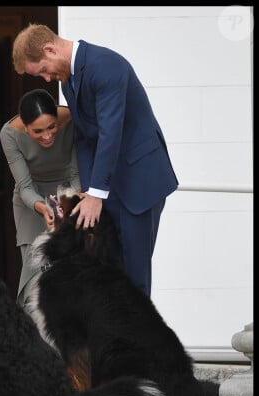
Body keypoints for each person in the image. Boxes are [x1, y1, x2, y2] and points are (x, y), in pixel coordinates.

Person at [12, 24, 178, 297]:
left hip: (139, 182)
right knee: (107, 276)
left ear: (50, 49)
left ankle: (136, 340)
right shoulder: (68, 80)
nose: (46, 78)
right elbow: (87, 137)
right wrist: (86, 191)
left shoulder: (106, 66)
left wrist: (96, 194)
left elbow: (111, 132)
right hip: (106, 187)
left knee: (134, 280)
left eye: (42, 69)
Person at [0, 88, 80, 309]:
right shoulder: (9, 134)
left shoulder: (73, 119)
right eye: (38, 131)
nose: (47, 136)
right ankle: (33, 333)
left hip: (69, 193)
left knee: (70, 268)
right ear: (25, 128)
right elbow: (24, 186)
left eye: (52, 127)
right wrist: (44, 208)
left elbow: (76, 175)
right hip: (32, 201)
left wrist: (67, 204)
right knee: (35, 271)